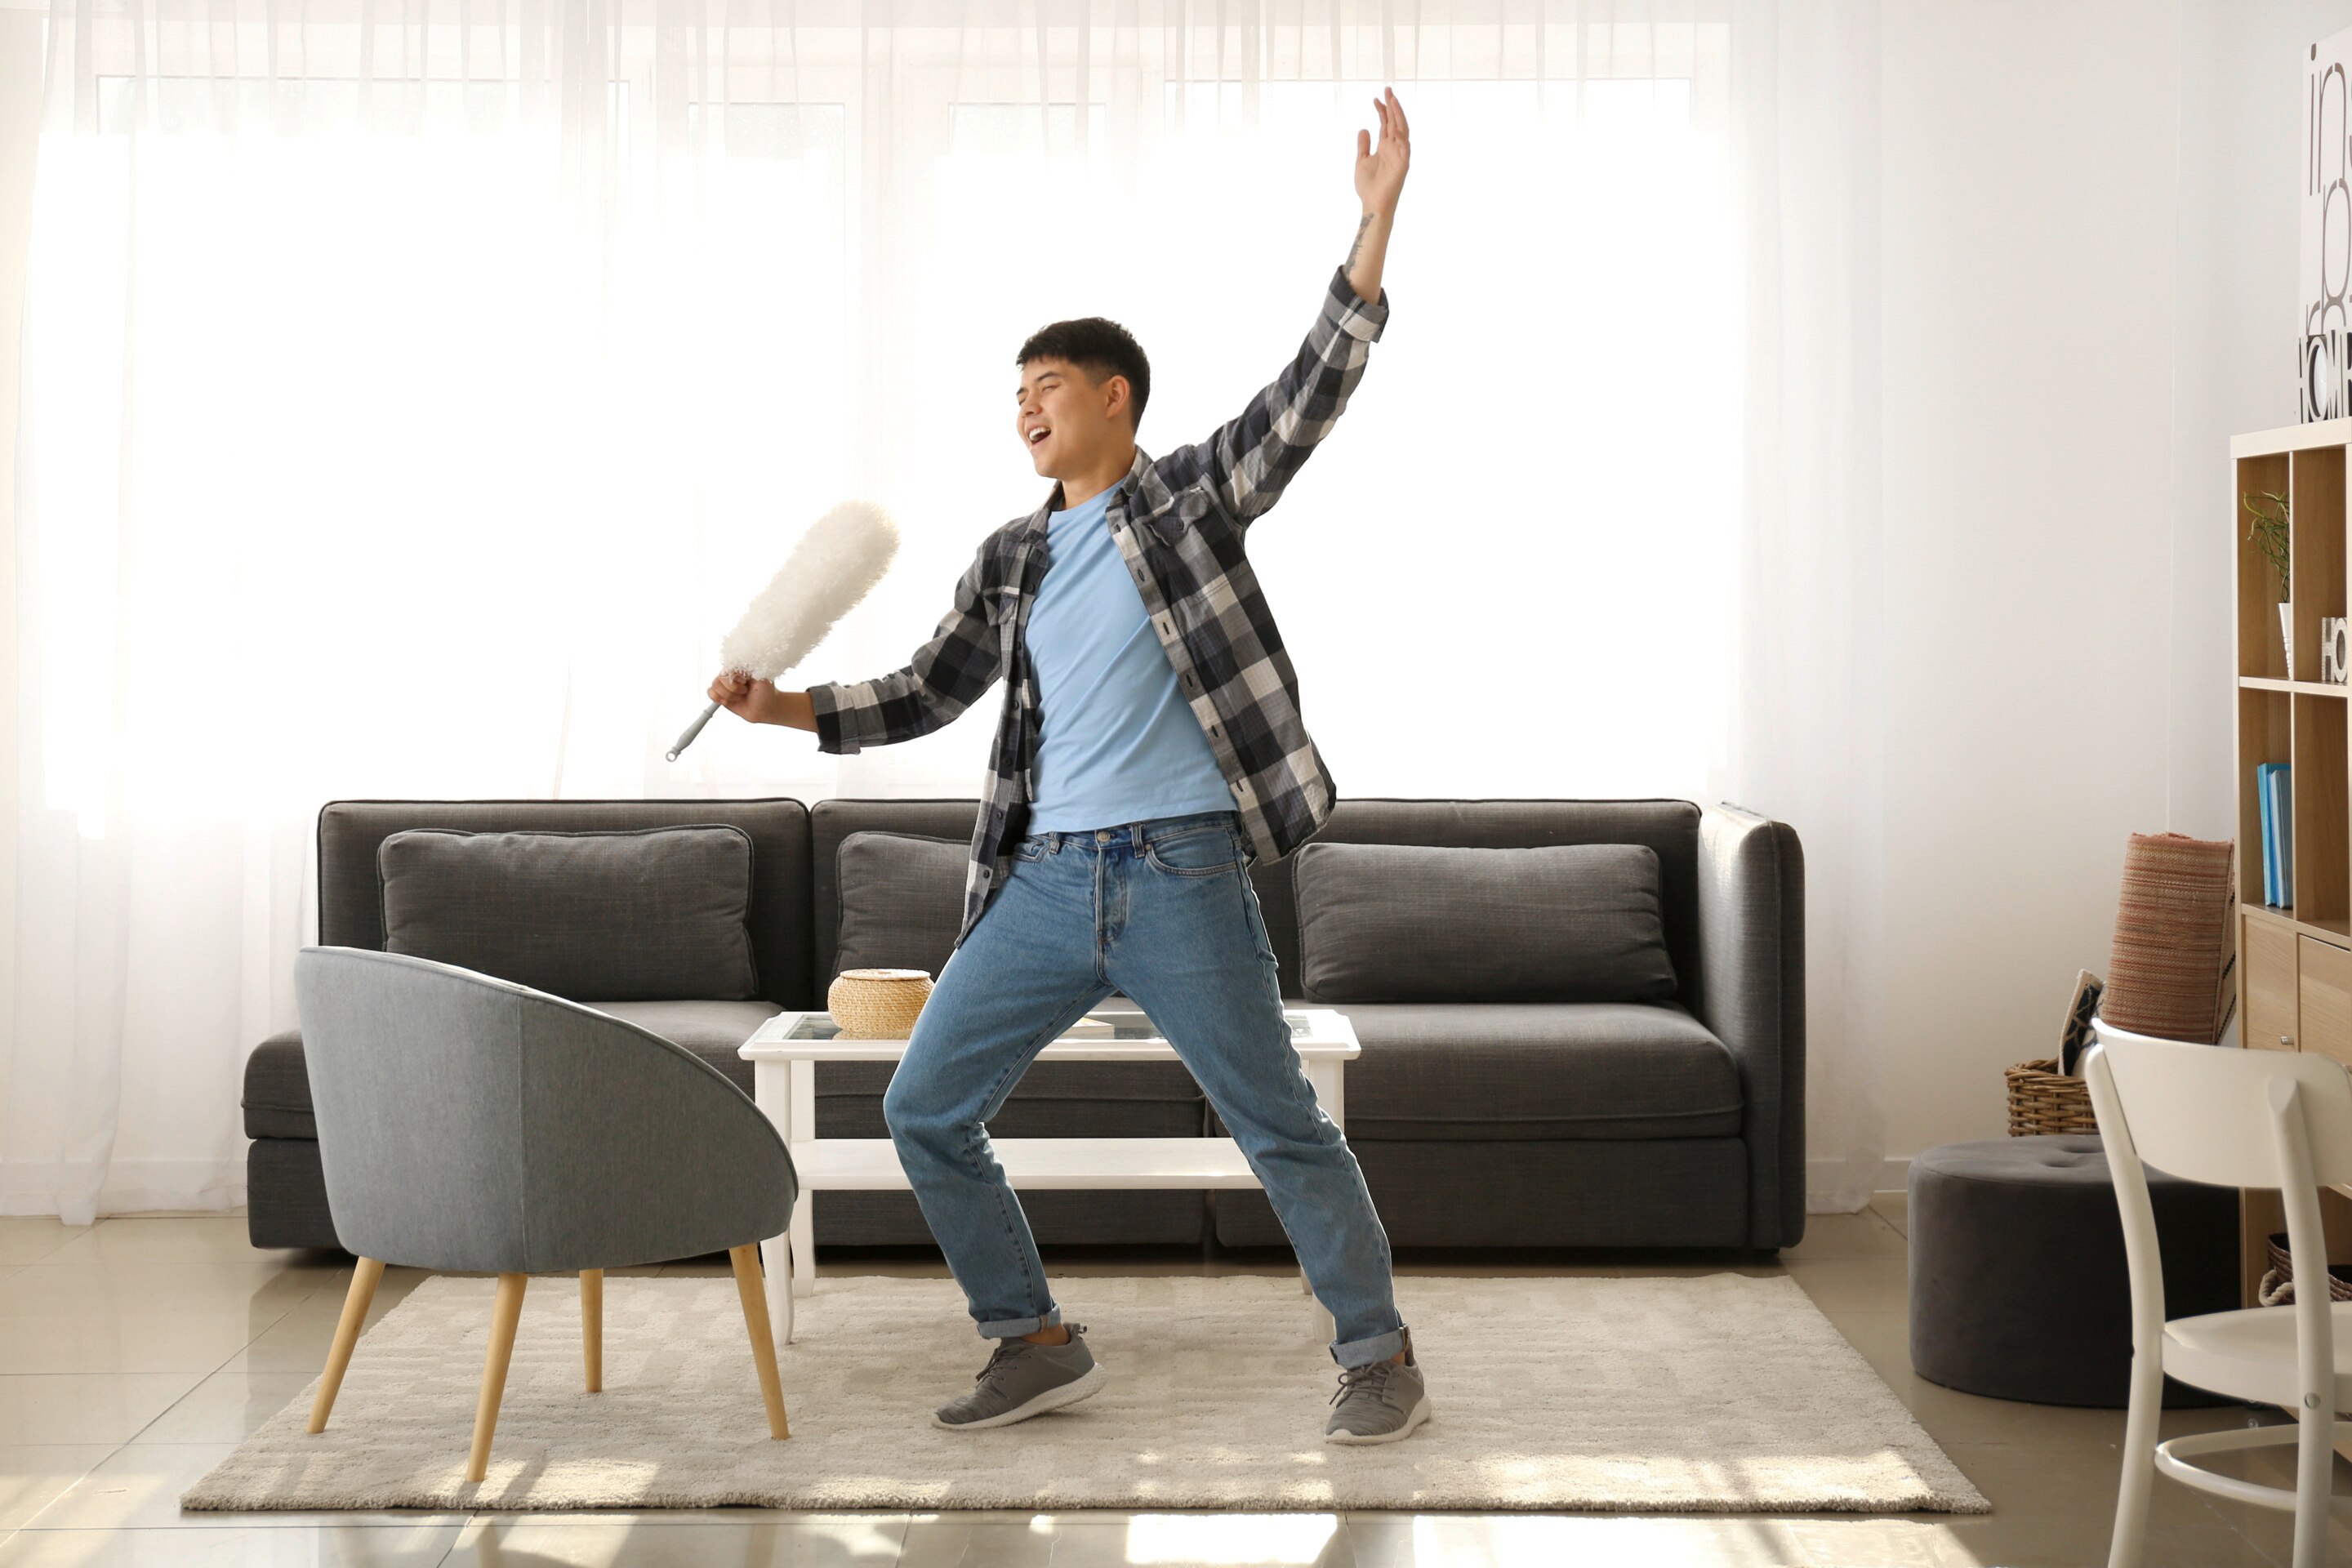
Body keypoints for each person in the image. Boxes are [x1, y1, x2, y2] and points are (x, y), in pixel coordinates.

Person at [707, 87, 1423, 1446]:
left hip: (1182, 872)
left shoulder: (1192, 500)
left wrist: (1372, 224)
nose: (1026, 410)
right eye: (1015, 396)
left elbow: (1310, 394)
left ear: (1116, 400)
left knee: (1277, 1124)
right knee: (923, 1105)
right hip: (1041, 885)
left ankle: (1379, 1355)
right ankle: (1031, 1337)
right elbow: (927, 689)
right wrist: (780, 707)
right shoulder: (1012, 558)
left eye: (1047, 389)